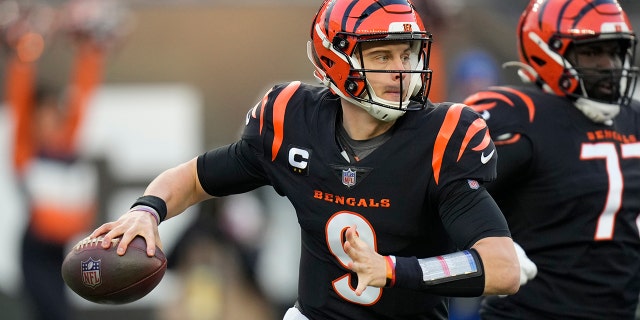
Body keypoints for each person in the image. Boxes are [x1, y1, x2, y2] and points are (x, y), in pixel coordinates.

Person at [90, 0, 520, 319]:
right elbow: (196, 178)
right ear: (336, 61)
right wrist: (148, 211)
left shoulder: (442, 137)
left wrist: (394, 270)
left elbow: (503, 266)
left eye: (408, 54)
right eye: (383, 56)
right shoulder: (292, 120)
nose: (401, 71)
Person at [462, 0, 640, 319]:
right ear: (547, 51)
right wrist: (482, 239)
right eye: (591, 52)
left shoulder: (634, 120)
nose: (609, 65)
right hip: (530, 311)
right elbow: (444, 190)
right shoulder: (524, 116)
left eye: (614, 51)